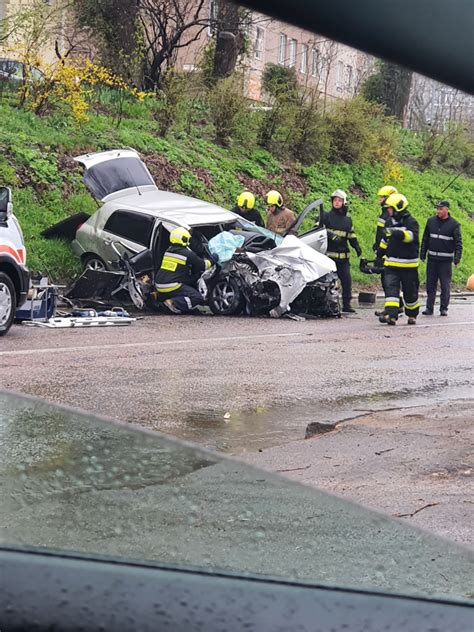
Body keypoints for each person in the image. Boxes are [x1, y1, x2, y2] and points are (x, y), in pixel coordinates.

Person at [376, 193, 420, 325]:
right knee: (391, 291)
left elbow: (411, 237)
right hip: (391, 264)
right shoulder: (389, 221)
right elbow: (385, 240)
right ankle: (392, 315)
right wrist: (379, 254)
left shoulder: (411, 222)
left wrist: (397, 233)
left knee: (410, 293)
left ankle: (412, 315)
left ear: (398, 207)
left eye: (390, 208)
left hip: (408, 266)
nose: (388, 211)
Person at [321, 189, 362, 313]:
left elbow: (351, 236)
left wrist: (357, 247)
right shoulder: (326, 216)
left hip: (344, 258)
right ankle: (326, 304)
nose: (337, 202)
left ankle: (347, 305)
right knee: (328, 282)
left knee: (347, 281)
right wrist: (330, 234)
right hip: (329, 257)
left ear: (344, 202)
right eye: (335, 200)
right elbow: (317, 230)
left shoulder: (347, 220)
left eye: (339, 200)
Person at [420, 200, 463, 316]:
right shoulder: (431, 222)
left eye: (441, 209)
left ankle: (443, 308)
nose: (438, 211)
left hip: (445, 262)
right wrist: (423, 253)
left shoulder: (454, 225)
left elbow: (458, 243)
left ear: (447, 210)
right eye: (437, 209)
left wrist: (457, 258)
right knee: (430, 285)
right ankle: (429, 308)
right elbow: (425, 239)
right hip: (432, 259)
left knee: (445, 285)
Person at [155, 227, 211, 314]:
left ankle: (157, 296)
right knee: (197, 297)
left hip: (159, 285)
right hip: (172, 286)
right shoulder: (187, 254)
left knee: (189, 283)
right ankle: (173, 303)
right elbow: (203, 265)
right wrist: (213, 259)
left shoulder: (168, 251)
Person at [373, 185, 402, 317]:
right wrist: (376, 246)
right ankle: (395, 305)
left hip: (389, 252)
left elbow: (388, 236)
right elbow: (380, 233)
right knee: (387, 280)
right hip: (382, 250)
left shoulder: (392, 216)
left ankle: (393, 307)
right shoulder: (385, 213)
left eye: (382, 197)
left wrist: (382, 250)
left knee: (389, 281)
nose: (380, 200)